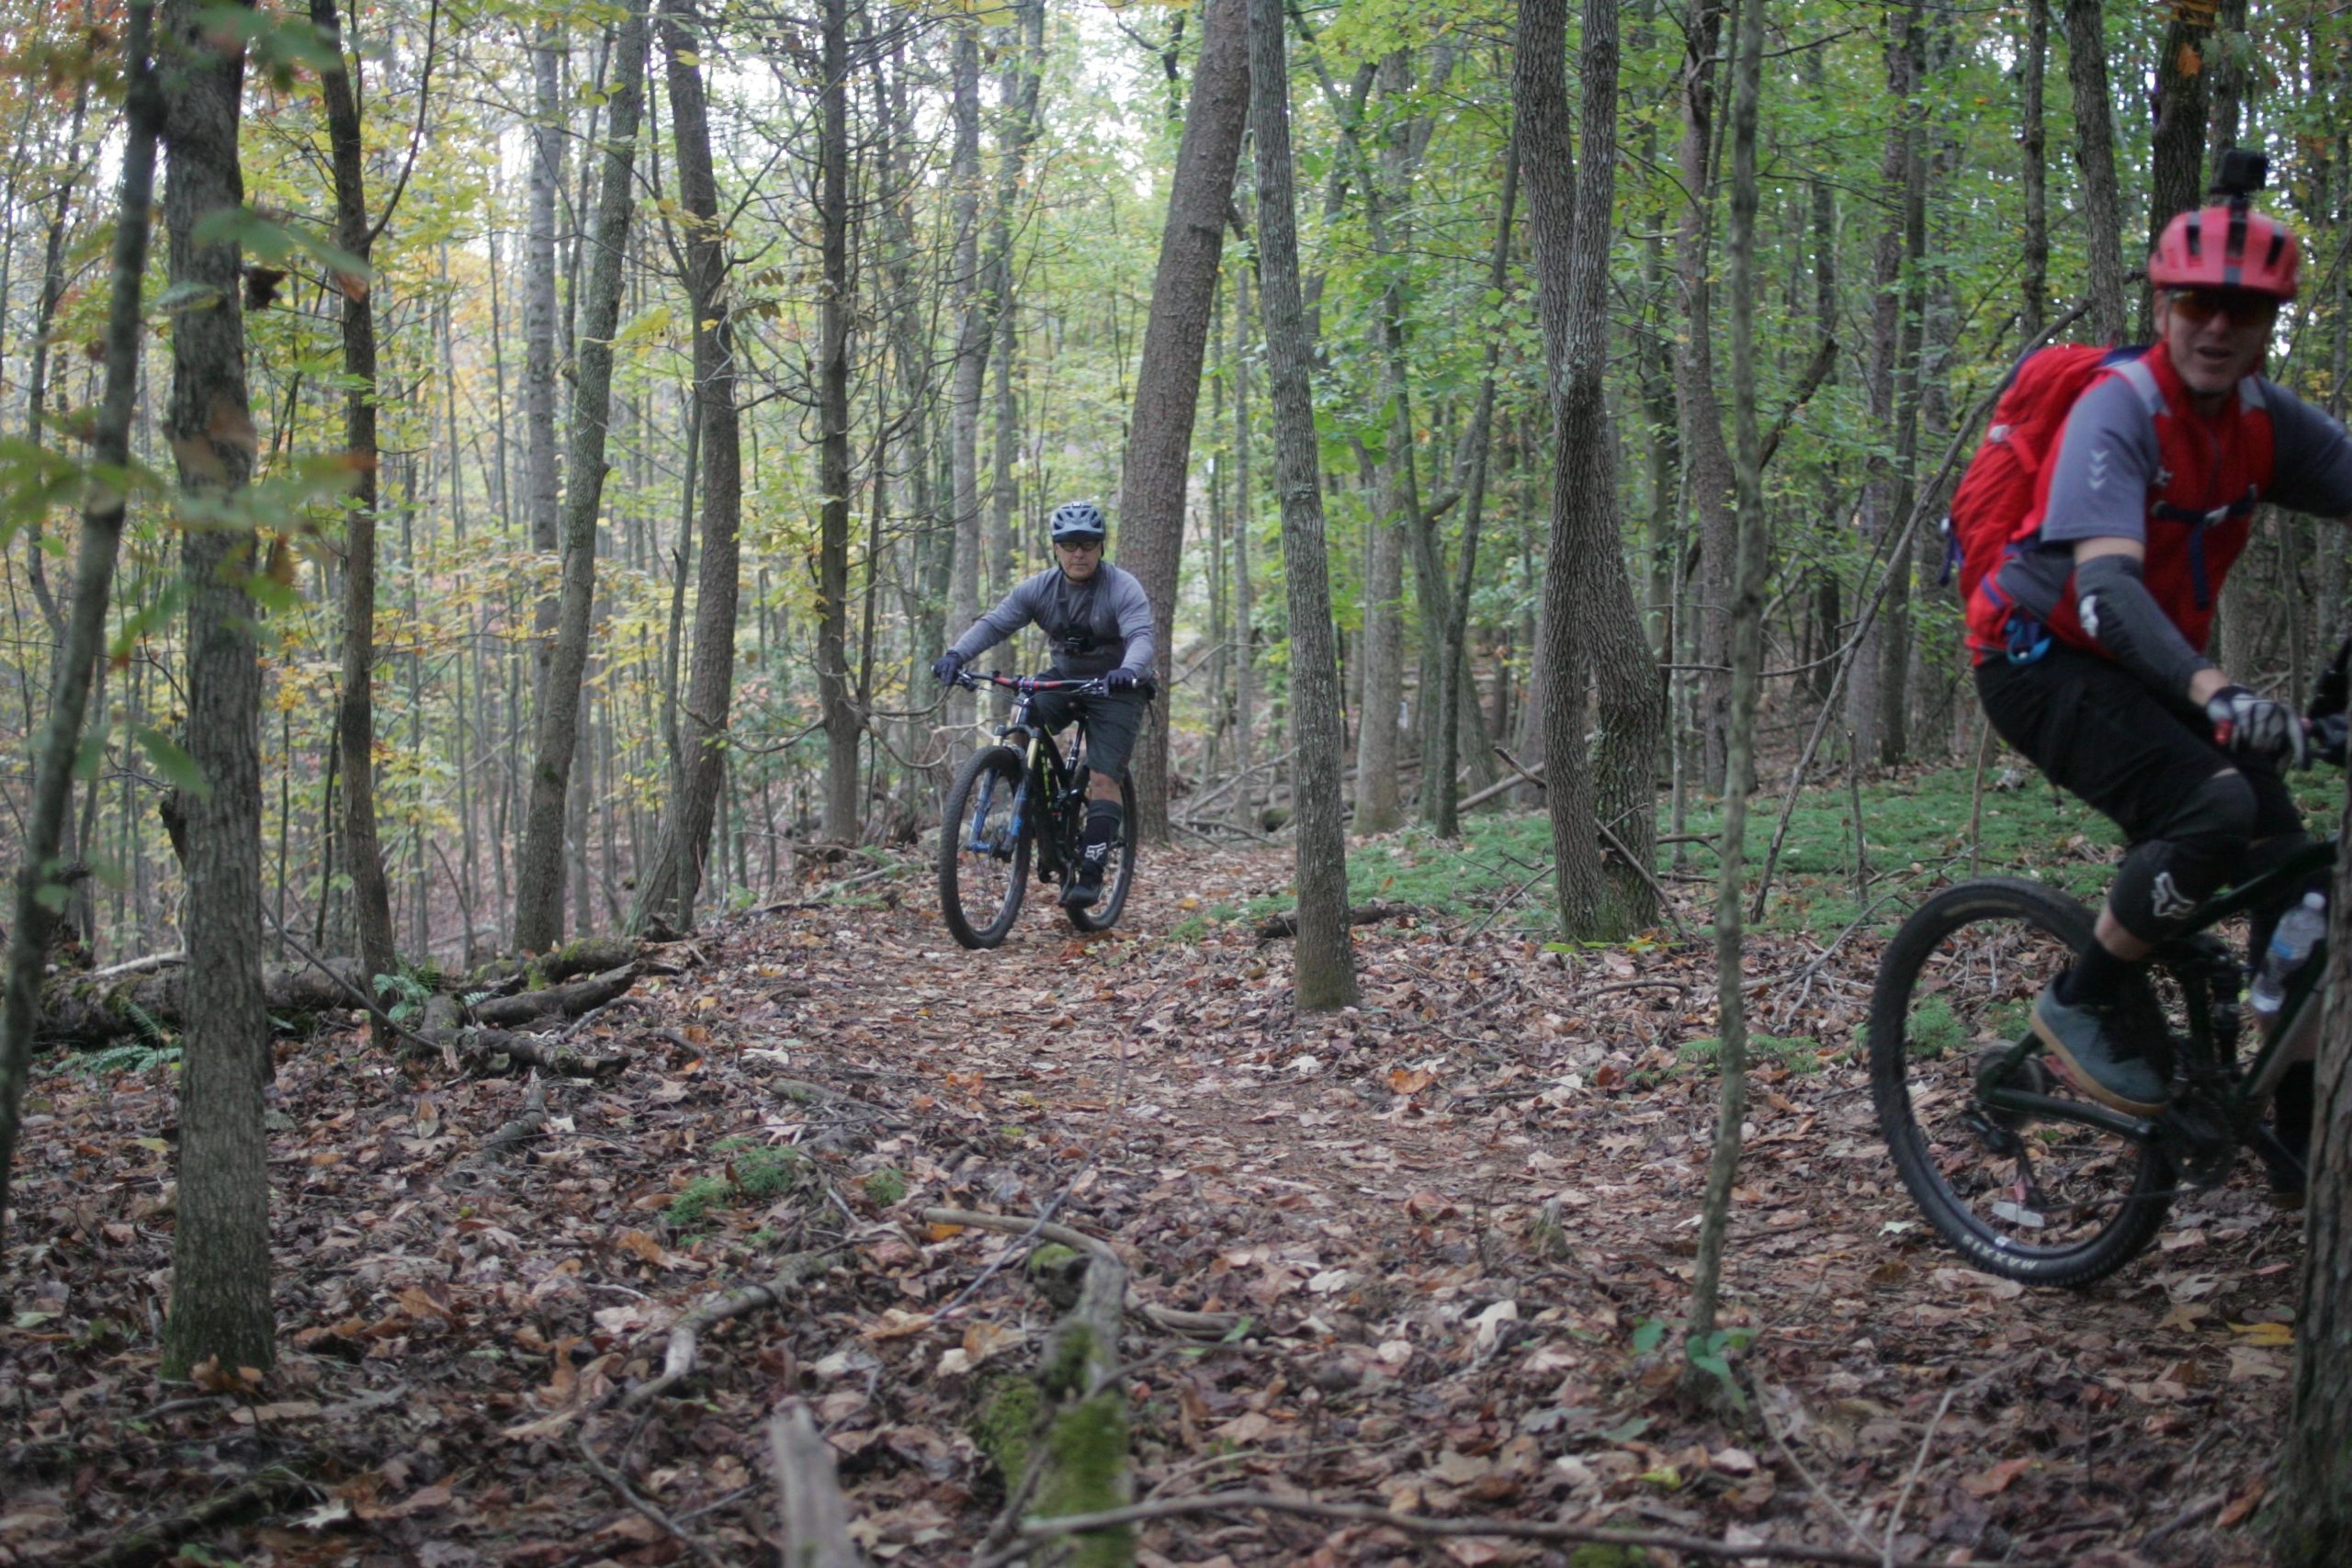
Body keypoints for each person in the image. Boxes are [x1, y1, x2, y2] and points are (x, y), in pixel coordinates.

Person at [1964, 161, 2352, 1190]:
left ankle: (2295, 1141)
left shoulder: (2265, 424)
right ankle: (2085, 996)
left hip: (2145, 670)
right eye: (2195, 304)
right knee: (2215, 805)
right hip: (2038, 661)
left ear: (2268, 323)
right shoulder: (2117, 410)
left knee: (2300, 879)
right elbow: (2106, 594)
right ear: (2162, 305)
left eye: (2243, 310)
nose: (2215, 328)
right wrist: (2216, 694)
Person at [932, 501, 1154, 909]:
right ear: (1055, 548)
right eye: (1068, 545)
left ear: (1101, 547)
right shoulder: (1039, 589)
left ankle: (1090, 871)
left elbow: (1141, 635)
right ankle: (1024, 790)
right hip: (1066, 676)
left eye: (1087, 544)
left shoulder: (1122, 588)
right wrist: (955, 656)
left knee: (1105, 776)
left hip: (1118, 684)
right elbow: (996, 623)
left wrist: (1130, 668)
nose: (1078, 553)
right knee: (1023, 714)